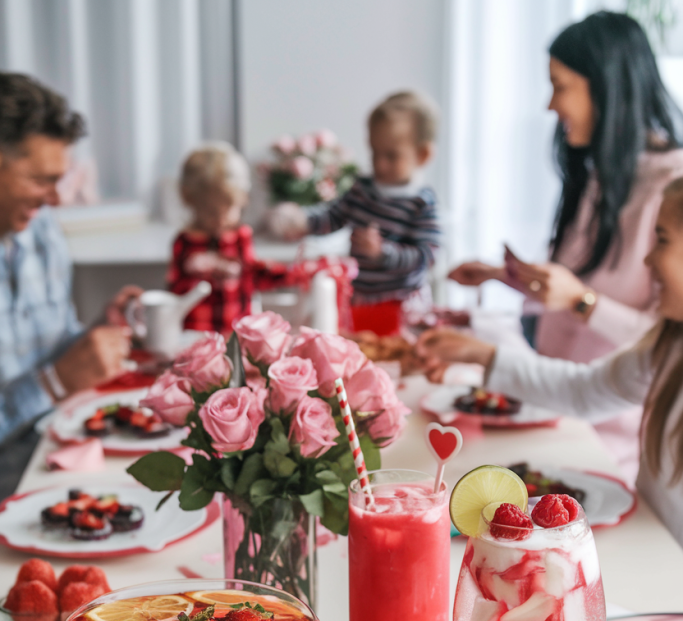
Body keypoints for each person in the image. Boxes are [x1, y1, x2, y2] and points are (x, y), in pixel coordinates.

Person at [445, 12, 683, 479]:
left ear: (607, 86)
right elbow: (576, 292)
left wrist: (580, 300)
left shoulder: (671, 187)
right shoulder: (599, 175)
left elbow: (659, 336)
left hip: (609, 439)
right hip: (557, 406)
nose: (551, 104)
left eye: (561, 85)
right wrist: (504, 279)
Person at [419, 178, 683, 548]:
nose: (648, 258)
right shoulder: (670, 343)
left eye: (663, 239)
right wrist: (482, 354)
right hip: (651, 553)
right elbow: (585, 390)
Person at [0, 73, 139, 477]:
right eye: (39, 180)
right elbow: (52, 377)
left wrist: (97, 333)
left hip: (56, 444)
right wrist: (52, 384)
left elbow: (53, 345)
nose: (56, 199)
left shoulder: (39, 228)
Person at [275, 91, 442, 336]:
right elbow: (333, 217)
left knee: (395, 360)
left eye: (391, 156)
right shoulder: (362, 188)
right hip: (360, 298)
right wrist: (302, 221)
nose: (379, 164)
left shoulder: (422, 202)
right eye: (375, 153)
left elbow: (427, 255)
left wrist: (383, 253)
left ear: (423, 155)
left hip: (402, 304)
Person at [168, 141, 296, 334]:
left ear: (242, 199)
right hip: (197, 339)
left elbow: (252, 275)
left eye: (228, 209)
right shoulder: (185, 242)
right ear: (189, 200)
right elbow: (175, 295)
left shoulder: (240, 237)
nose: (220, 219)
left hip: (239, 336)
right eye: (211, 212)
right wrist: (200, 274)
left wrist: (292, 274)